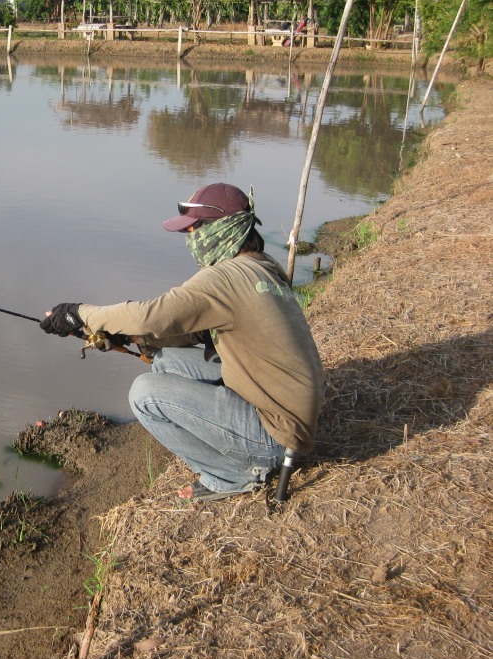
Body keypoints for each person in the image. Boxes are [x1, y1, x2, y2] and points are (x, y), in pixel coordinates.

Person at [40, 183, 324, 501]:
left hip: (275, 436)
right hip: (286, 413)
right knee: (165, 361)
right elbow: (197, 330)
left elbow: (151, 316)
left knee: (144, 394)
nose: (191, 240)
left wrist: (77, 314)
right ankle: (238, 456)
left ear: (221, 228)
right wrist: (130, 338)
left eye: (194, 230)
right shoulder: (262, 267)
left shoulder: (224, 279)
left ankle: (233, 474)